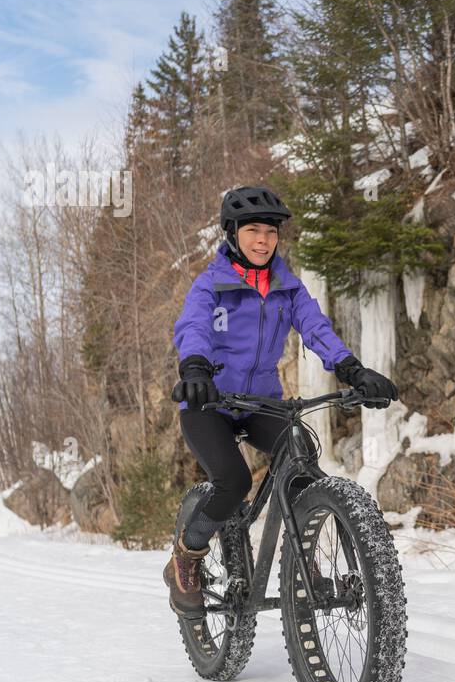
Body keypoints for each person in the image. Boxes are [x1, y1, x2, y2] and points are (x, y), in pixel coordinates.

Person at [163, 185, 398, 618]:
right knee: (232, 481)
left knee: (300, 453)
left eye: (270, 232)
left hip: (259, 402)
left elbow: (316, 329)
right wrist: (194, 369)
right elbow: (192, 328)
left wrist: (352, 370)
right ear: (232, 234)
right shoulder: (209, 285)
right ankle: (186, 557)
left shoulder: (287, 288)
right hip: (208, 402)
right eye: (252, 230)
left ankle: (300, 559)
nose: (263, 240)